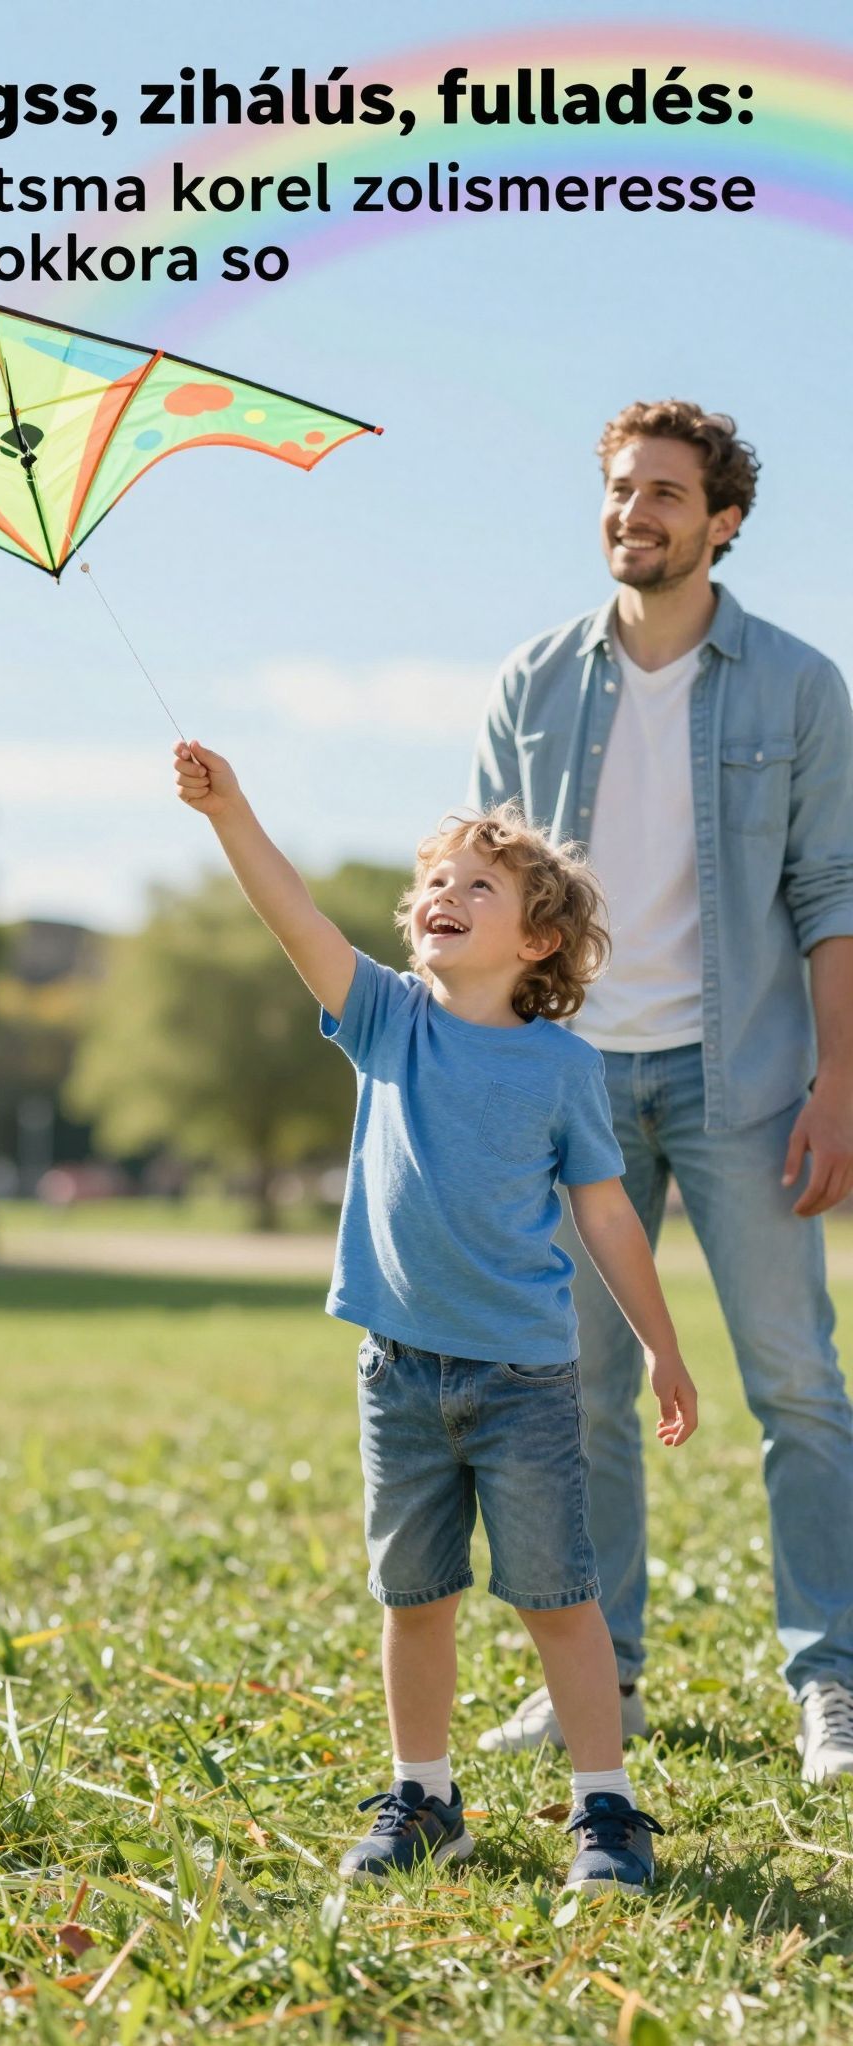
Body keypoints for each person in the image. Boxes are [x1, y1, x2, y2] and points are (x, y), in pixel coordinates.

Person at [175, 737, 698, 1890]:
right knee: (417, 1600)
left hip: (525, 1384)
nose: (441, 896)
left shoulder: (563, 1067)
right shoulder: (386, 1020)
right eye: (432, 883)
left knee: (563, 1601)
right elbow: (295, 915)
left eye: (477, 883)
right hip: (400, 1375)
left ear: (538, 939)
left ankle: (604, 1810)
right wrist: (233, 813)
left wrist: (663, 1346)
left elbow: (610, 1219)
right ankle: (424, 1794)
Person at [468, 400, 853, 1785]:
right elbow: (486, 899)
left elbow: (832, 894)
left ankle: (834, 1681)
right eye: (623, 489)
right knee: (576, 1389)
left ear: (722, 521)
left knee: (797, 1382)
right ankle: (602, 1683)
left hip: (745, 1080)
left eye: (667, 493)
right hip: (572, 1082)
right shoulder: (532, 682)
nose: (638, 512)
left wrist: (839, 1083)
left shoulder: (800, 685)